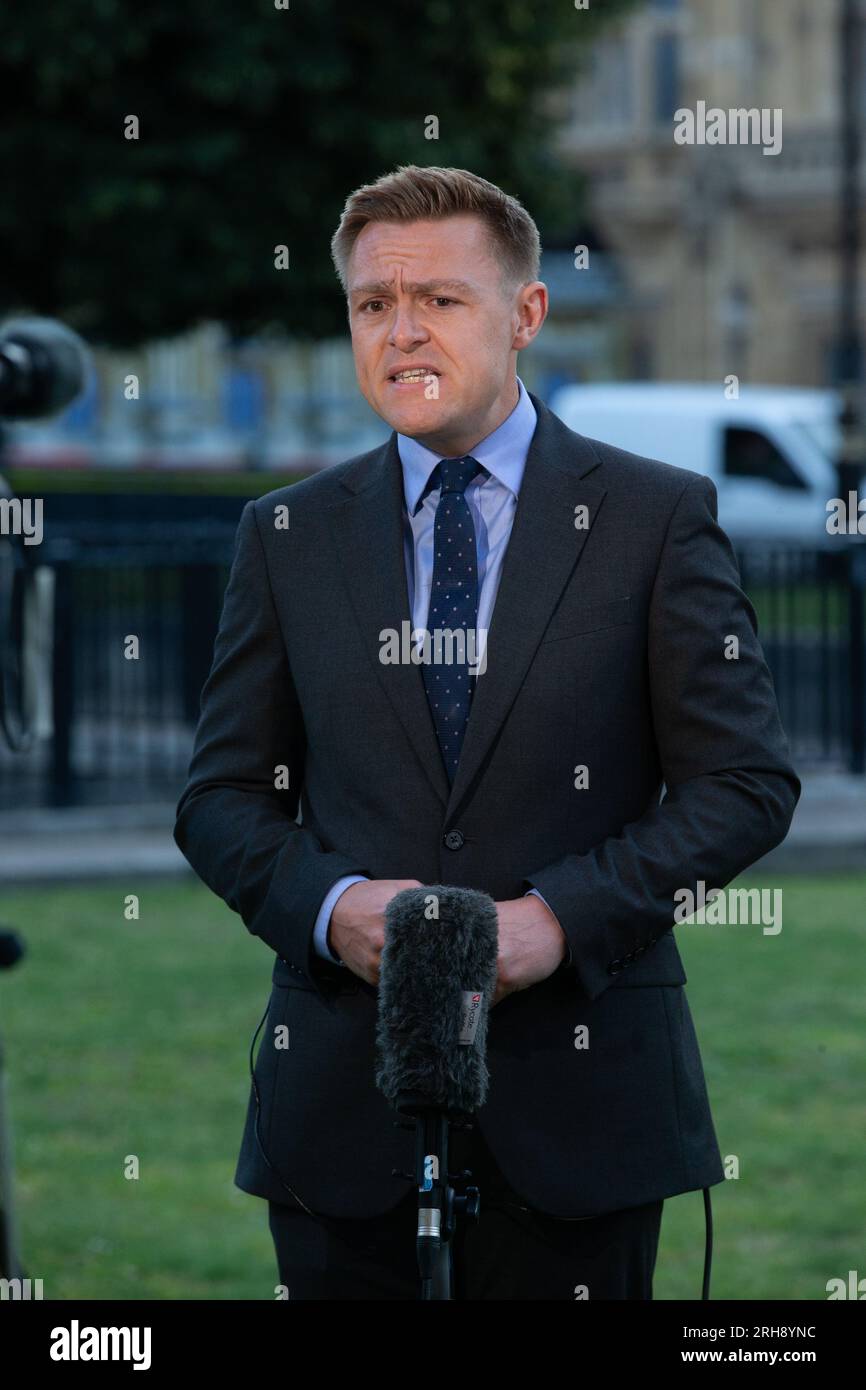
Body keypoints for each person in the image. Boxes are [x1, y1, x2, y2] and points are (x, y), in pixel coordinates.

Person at [173, 164, 801, 1300]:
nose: (400, 332)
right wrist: (331, 910)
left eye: (439, 301)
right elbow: (219, 800)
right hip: (338, 1111)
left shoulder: (653, 517)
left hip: (585, 1103)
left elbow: (743, 784)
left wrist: (557, 921)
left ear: (525, 314)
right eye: (372, 304)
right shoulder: (285, 532)